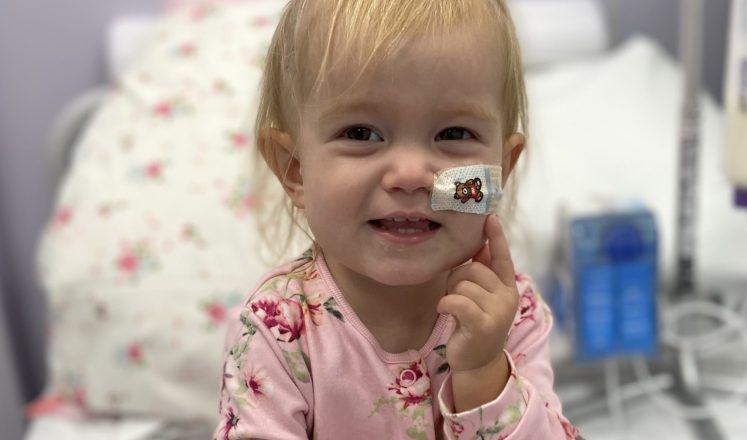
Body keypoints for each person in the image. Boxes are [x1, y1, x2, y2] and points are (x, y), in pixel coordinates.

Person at [215, 0, 580, 438]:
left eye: (453, 135)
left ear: (499, 171)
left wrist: (484, 374)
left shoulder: (510, 315)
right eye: (361, 134)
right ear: (295, 170)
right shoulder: (275, 331)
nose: (410, 176)